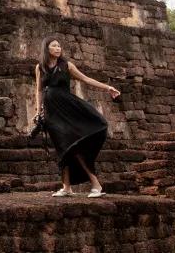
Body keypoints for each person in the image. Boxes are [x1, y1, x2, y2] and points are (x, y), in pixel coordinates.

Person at [34, 36, 120, 198]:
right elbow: (38, 90)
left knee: (74, 146)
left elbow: (86, 79)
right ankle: (66, 187)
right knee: (62, 148)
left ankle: (96, 185)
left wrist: (107, 87)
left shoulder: (67, 65)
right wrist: (38, 112)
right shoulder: (40, 67)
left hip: (69, 109)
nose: (58, 48)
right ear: (47, 49)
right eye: (54, 46)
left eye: (59, 46)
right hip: (52, 114)